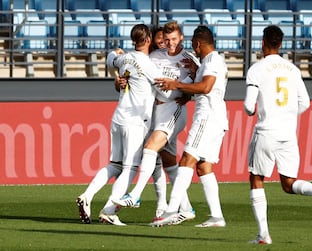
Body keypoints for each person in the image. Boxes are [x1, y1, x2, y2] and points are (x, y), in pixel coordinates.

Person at [243, 25, 312, 244]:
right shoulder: (293, 70)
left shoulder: (256, 69)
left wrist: (257, 110)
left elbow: (249, 106)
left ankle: (263, 235)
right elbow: (305, 103)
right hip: (288, 133)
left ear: (263, 43)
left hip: (266, 131)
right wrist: (286, 114)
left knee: (256, 178)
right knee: (288, 184)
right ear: (280, 44)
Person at [76, 23, 172, 226]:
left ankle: (87, 195)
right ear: (147, 40)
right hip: (135, 121)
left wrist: (115, 56)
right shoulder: (147, 64)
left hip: (118, 117)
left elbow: (111, 59)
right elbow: (165, 92)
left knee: (114, 165)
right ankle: (109, 211)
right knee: (129, 168)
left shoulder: (124, 58)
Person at [113, 21, 200, 224]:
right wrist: (119, 81)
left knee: (150, 148)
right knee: (168, 162)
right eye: (166, 40)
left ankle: (135, 195)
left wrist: (187, 92)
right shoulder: (154, 56)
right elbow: (134, 75)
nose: (168, 44)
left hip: (173, 110)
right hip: (155, 111)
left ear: (181, 39)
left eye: (173, 40)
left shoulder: (189, 60)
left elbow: (203, 85)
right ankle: (186, 208)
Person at [149, 25, 229, 228]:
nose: (193, 48)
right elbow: (199, 85)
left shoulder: (211, 60)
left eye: (194, 45)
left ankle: (171, 211)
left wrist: (177, 85)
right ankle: (217, 216)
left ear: (198, 43)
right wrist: (188, 86)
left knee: (186, 160)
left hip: (207, 117)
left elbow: (206, 87)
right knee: (204, 167)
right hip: (217, 118)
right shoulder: (210, 61)